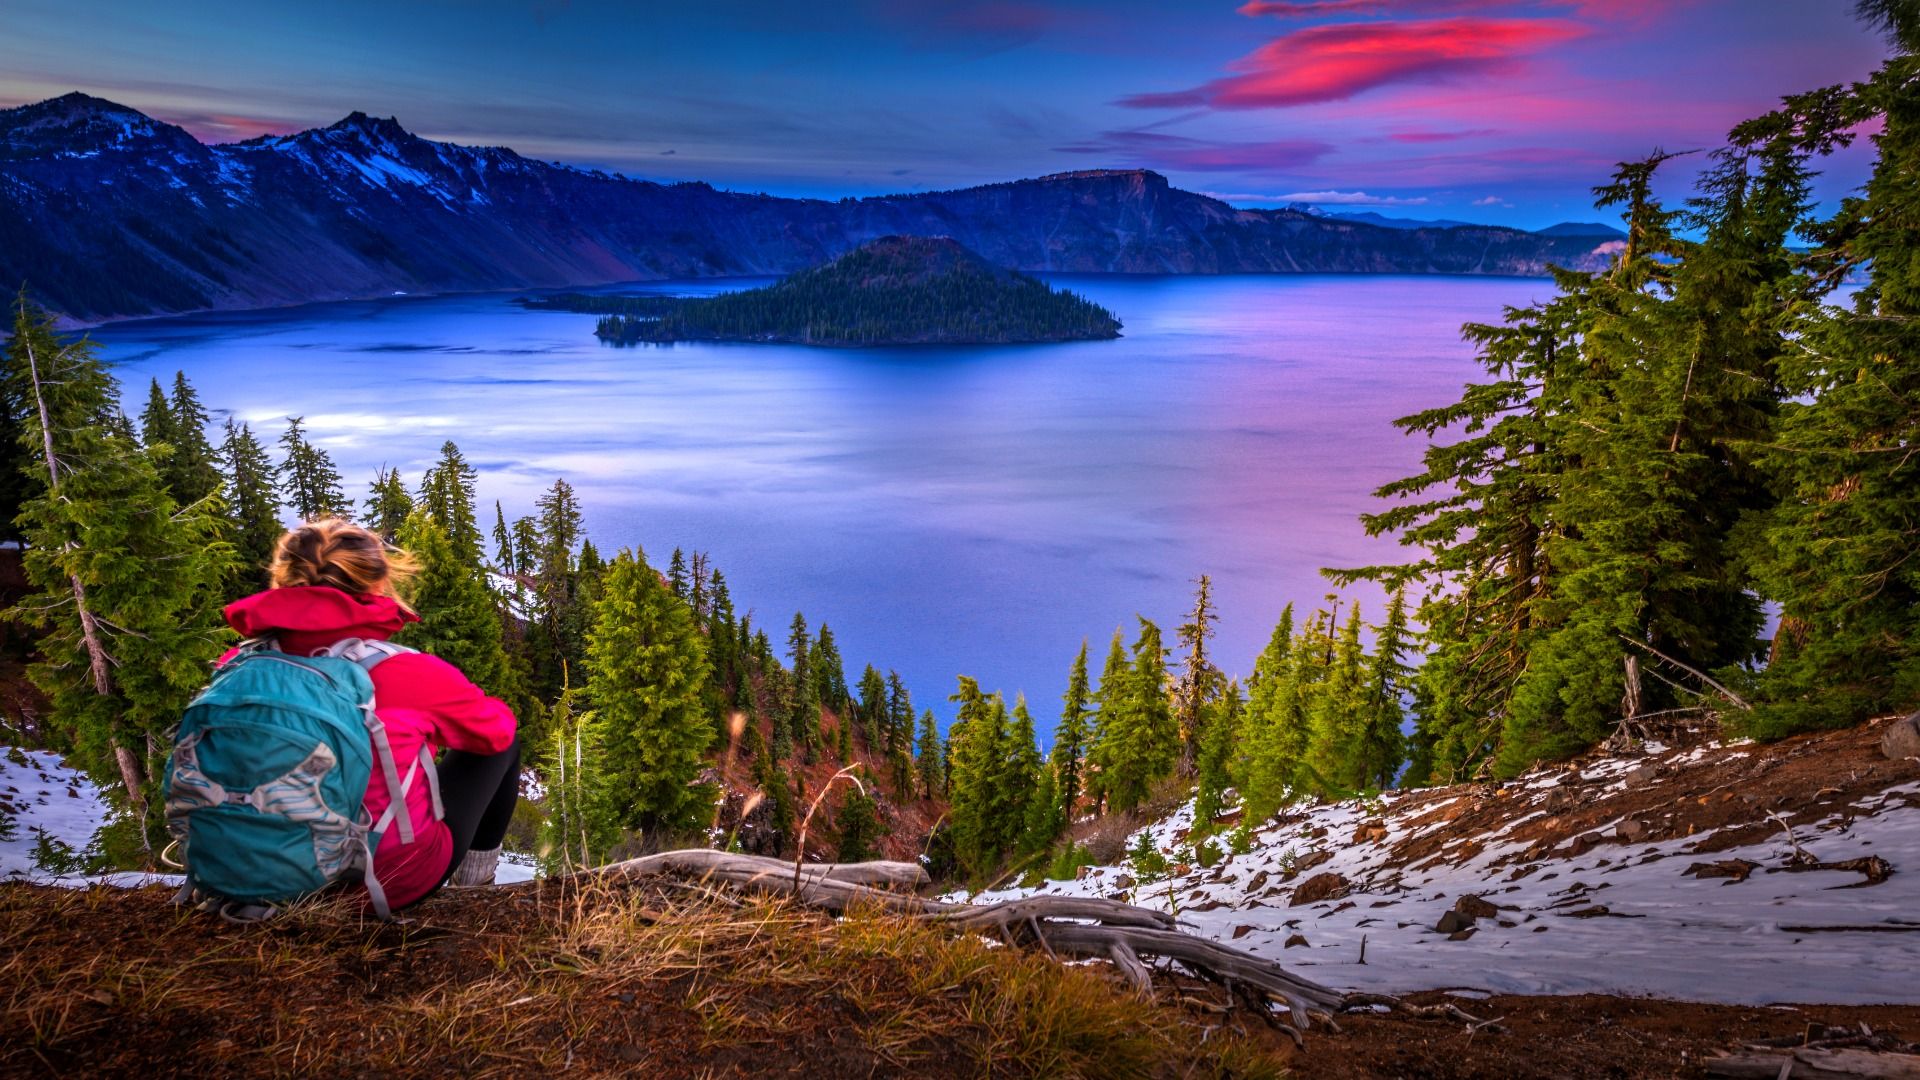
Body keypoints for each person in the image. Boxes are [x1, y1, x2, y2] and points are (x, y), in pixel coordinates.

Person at [219, 517, 519, 909]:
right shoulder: (403, 670)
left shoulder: (236, 666)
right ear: (377, 584)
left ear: (281, 580)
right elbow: (496, 731)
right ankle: (476, 891)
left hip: (250, 872)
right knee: (504, 746)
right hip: (382, 882)